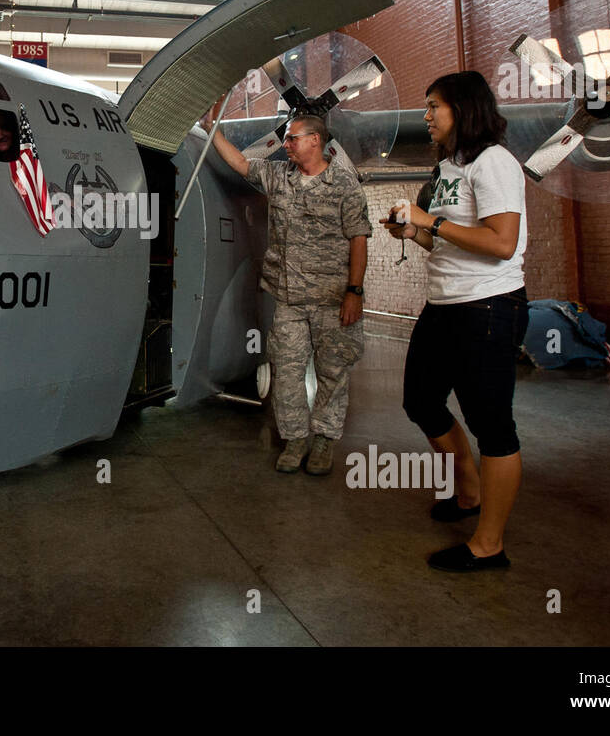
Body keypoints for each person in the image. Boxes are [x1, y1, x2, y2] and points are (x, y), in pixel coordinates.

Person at [381, 71, 528, 572]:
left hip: (488, 306)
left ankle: (489, 546)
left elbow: (501, 243)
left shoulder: (495, 162)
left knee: (493, 426)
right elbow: (444, 240)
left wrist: (430, 221)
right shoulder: (449, 167)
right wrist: (412, 233)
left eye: (433, 106)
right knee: (420, 399)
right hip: (445, 304)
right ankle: (469, 492)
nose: (426, 117)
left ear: (462, 109)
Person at [205, 97, 371, 475]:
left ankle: (324, 442)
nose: (287, 144)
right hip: (290, 300)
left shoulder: (344, 183)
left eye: (294, 138)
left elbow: (359, 238)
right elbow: (243, 164)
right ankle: (295, 440)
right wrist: (212, 130)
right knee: (287, 371)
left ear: (316, 141)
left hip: (333, 300)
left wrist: (354, 292)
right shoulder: (279, 176)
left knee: (332, 373)